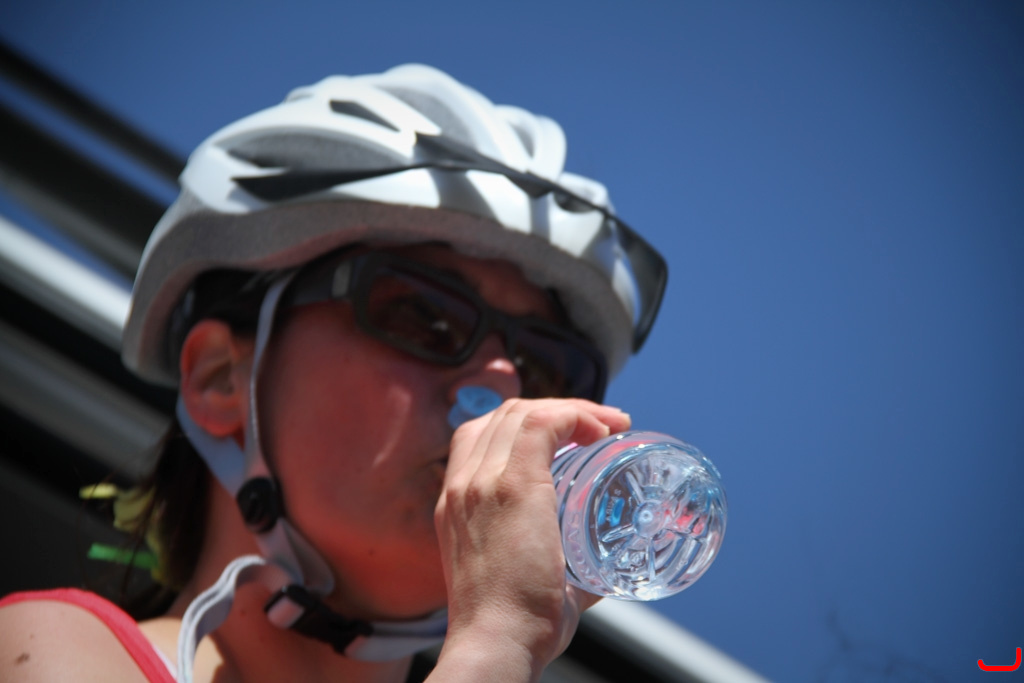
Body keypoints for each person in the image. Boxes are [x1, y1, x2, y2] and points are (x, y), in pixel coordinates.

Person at [0, 63, 667, 682]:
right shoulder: (46, 648)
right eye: (424, 316)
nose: (504, 386)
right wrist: (495, 643)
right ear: (220, 379)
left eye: (547, 368)